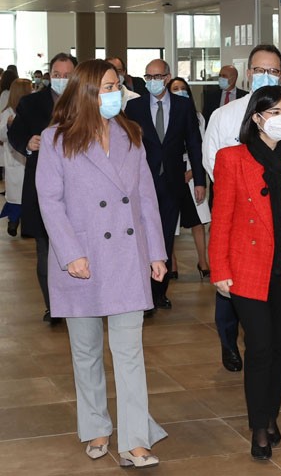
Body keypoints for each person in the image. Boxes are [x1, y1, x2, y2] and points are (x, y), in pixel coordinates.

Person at [35, 59, 168, 468]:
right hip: (83, 258)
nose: (117, 93)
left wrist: (157, 251)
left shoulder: (132, 134)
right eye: (109, 86)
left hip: (127, 256)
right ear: (88, 91)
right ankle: (96, 426)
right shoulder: (57, 139)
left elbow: (146, 197)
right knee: (87, 350)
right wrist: (70, 253)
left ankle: (135, 440)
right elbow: (50, 201)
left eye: (118, 85)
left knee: (129, 352)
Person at [209, 85, 281, 460]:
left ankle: (271, 414)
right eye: (274, 112)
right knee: (259, 348)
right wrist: (219, 268)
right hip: (247, 268)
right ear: (257, 118)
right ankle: (259, 426)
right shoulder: (231, 159)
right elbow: (221, 219)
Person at [203, 44, 281, 372]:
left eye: (274, 71)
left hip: (280, 227)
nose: (267, 75)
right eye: (260, 70)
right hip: (241, 221)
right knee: (231, 297)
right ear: (249, 72)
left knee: (273, 324)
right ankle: (229, 345)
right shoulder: (225, 115)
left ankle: (269, 368)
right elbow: (213, 163)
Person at [124, 60, 206, 313]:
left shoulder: (183, 106)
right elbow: (125, 144)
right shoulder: (134, 106)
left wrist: (200, 180)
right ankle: (142, 293)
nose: (153, 81)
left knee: (166, 237)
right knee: (142, 236)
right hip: (141, 182)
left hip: (172, 182)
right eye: (148, 77)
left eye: (158, 76)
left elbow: (194, 142)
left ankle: (159, 293)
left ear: (168, 77)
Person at [8, 52, 77, 324]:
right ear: (50, 75)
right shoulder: (31, 103)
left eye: (67, 75)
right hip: (43, 187)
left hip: (80, 189)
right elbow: (15, 134)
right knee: (46, 249)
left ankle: (80, 302)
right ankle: (54, 306)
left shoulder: (86, 101)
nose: (62, 79)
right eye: (57, 75)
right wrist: (27, 143)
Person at [166, 77, 212, 281]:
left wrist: (194, 172)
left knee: (197, 221)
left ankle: (203, 261)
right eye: (175, 89)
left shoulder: (198, 117)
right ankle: (172, 262)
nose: (180, 91)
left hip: (191, 171)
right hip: (171, 172)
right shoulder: (164, 114)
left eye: (183, 88)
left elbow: (200, 147)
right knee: (170, 221)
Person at [0, 78, 32, 236]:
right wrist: (8, 126)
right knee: (16, 197)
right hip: (14, 160)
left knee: (28, 197)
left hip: (29, 159)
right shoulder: (7, 113)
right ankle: (13, 222)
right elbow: (1, 135)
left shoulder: (31, 110)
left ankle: (25, 226)